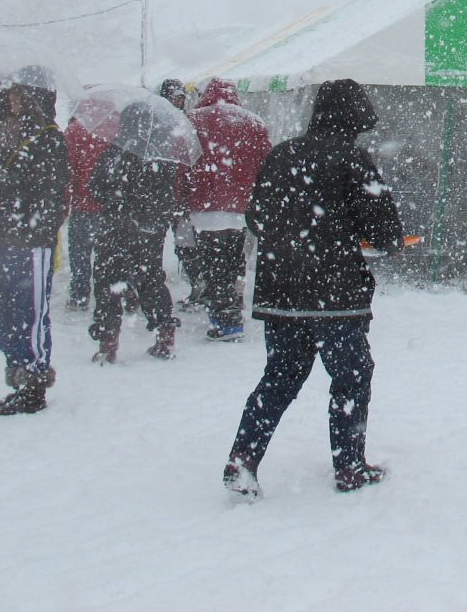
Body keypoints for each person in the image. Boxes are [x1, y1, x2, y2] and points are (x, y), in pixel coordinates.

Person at [223, 79, 404, 500]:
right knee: (352, 377)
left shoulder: (282, 154)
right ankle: (350, 467)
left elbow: (256, 220)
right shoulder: (352, 160)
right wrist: (385, 241)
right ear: (354, 117)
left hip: (280, 294)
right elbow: (382, 228)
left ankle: (242, 459)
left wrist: (296, 241)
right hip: (335, 297)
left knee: (280, 377)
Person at [0, 70, 70, 415]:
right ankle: (18, 373)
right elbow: (2, 186)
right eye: (9, 94)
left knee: (29, 314)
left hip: (30, 240)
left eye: (18, 94)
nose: (11, 100)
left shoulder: (49, 138)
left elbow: (40, 190)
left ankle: (33, 381)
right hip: (0, 235)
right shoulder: (5, 134)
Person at [86, 103, 183, 364]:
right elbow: (167, 196)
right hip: (148, 231)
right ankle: (164, 335)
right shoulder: (162, 154)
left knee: (108, 282)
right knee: (151, 278)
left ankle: (108, 342)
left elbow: (95, 188)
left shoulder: (116, 149)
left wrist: (117, 201)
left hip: (115, 229)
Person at [185, 77, 272, 341]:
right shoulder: (254, 121)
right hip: (240, 207)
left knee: (213, 262)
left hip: (204, 205)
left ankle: (226, 319)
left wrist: (181, 196)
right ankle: (233, 300)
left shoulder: (192, 120)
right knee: (234, 257)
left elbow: (182, 162)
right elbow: (265, 163)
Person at [159, 79, 206, 307]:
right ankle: (199, 285)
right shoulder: (165, 123)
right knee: (184, 244)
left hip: (185, 196)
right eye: (174, 96)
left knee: (188, 245)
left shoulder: (188, 122)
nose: (179, 99)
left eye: (181, 96)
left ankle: (199, 286)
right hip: (172, 194)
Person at [64, 114, 110, 312]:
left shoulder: (75, 130)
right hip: (110, 205)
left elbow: (67, 168)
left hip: (83, 203)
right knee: (108, 254)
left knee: (80, 253)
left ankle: (80, 294)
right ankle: (109, 293)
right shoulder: (119, 127)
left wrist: (65, 200)